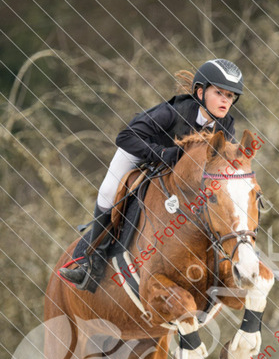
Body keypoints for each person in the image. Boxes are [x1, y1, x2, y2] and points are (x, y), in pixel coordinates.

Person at [60, 58, 244, 291]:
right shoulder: (171, 112)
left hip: (176, 169)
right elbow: (125, 137)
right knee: (108, 191)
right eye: (219, 93)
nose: (225, 100)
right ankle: (91, 260)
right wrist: (162, 153)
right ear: (200, 92)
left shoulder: (226, 125)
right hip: (139, 152)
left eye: (230, 96)